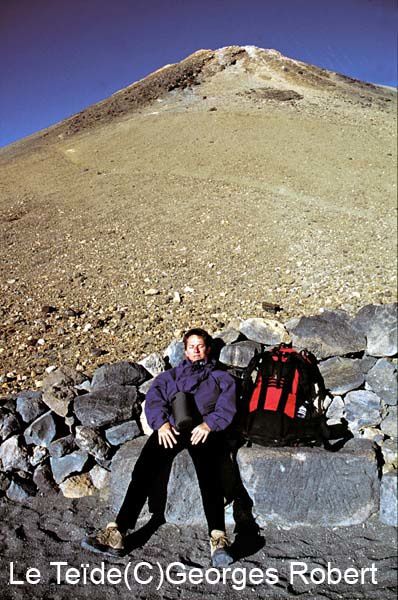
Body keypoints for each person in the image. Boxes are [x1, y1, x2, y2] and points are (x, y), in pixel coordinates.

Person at [82, 328, 237, 567]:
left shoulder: (221, 377)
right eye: (191, 346)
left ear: (208, 349)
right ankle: (118, 532)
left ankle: (218, 538)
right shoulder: (170, 377)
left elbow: (227, 406)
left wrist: (209, 425)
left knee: (210, 475)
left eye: (200, 345)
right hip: (172, 429)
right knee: (143, 470)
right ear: (184, 350)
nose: (196, 350)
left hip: (203, 431)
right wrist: (161, 424)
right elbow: (154, 401)